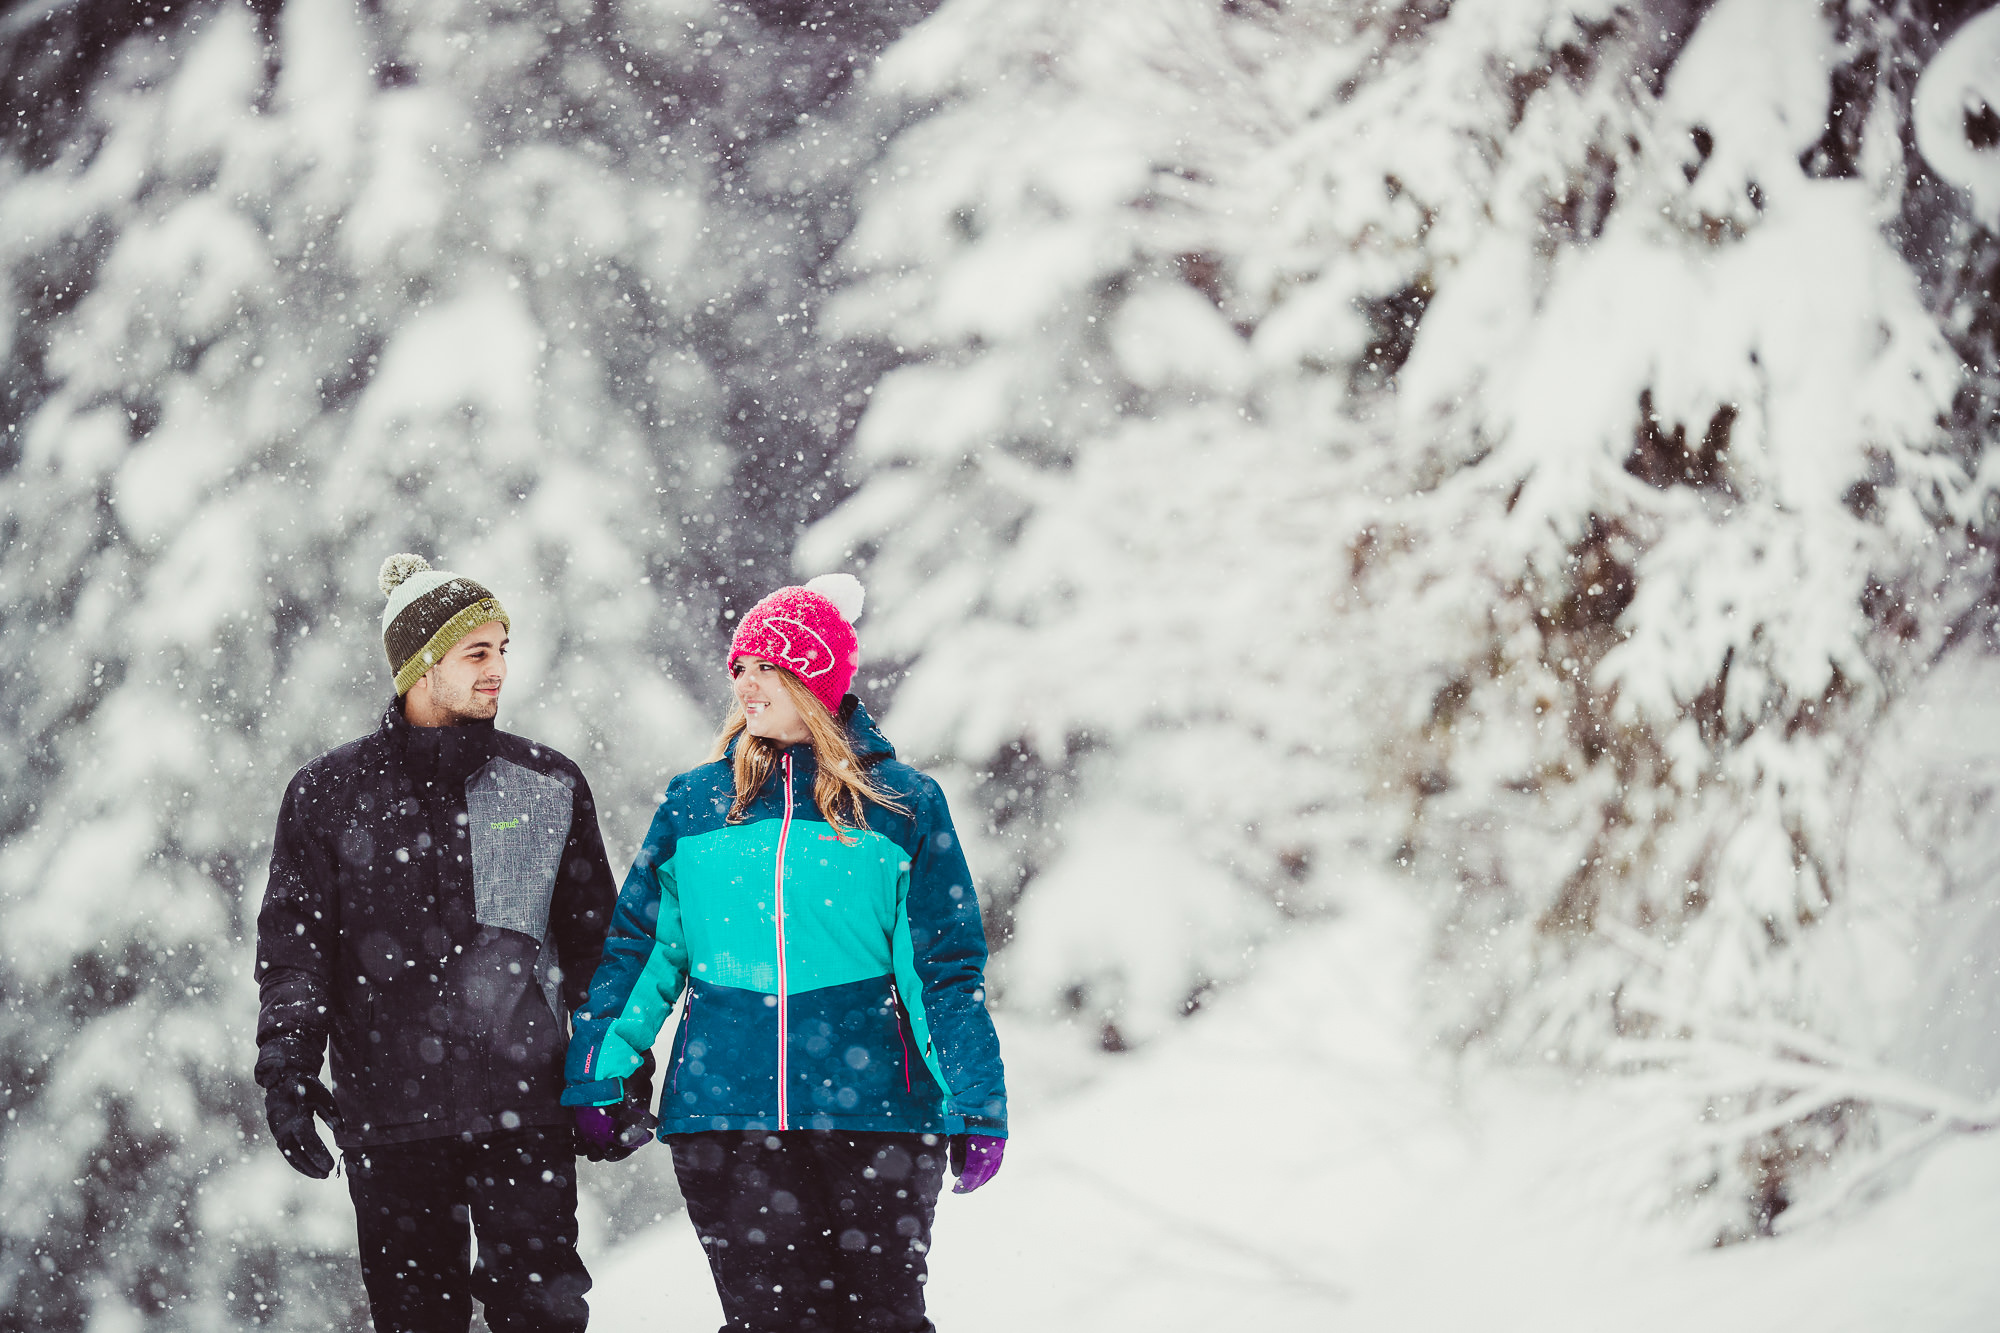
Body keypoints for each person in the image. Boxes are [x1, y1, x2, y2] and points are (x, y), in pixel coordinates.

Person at [563, 574, 1007, 1333]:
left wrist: (975, 1094)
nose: (745, 682)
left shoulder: (900, 804)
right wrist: (598, 1068)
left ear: (814, 676)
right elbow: (643, 950)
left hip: (879, 1116)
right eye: (739, 666)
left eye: (765, 665)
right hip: (727, 1119)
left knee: (885, 1321)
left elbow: (941, 969)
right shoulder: (695, 805)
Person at [255, 554, 643, 1333]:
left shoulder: (547, 783)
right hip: (390, 1122)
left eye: (504, 649)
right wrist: (287, 1072)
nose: (499, 669)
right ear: (422, 662)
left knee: (546, 1317)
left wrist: (616, 1068)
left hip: (524, 1113)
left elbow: (599, 948)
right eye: (479, 652)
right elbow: (295, 951)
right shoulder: (327, 795)